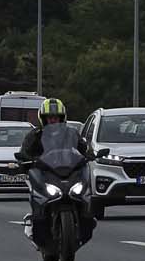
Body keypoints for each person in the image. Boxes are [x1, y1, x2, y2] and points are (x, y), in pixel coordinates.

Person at [17, 98, 93, 248]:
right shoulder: (36, 135)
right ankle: (37, 221)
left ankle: (86, 219)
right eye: (50, 117)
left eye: (56, 117)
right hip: (45, 172)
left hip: (68, 171)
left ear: (62, 117)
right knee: (38, 190)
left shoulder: (71, 133)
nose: (53, 120)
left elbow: (83, 148)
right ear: (43, 118)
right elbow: (25, 152)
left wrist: (90, 154)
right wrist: (26, 159)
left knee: (84, 193)